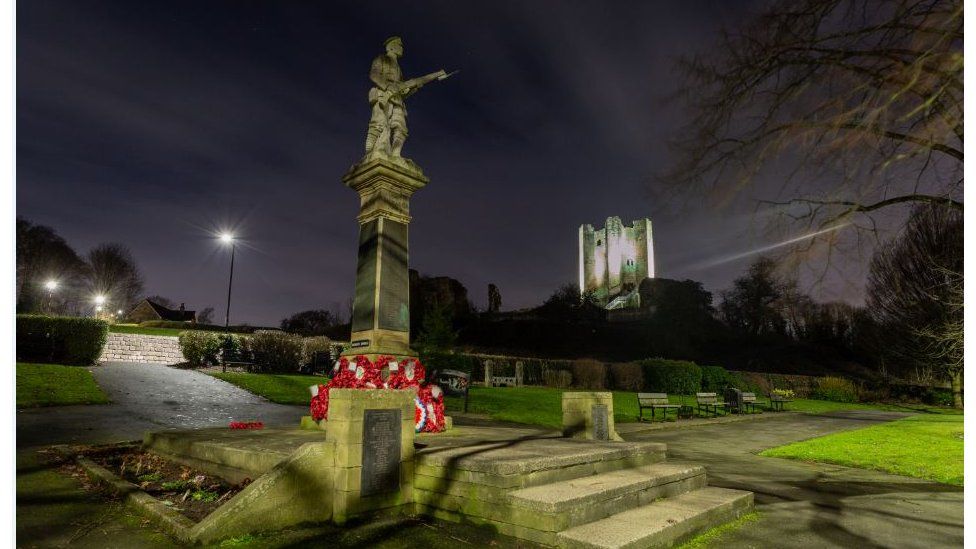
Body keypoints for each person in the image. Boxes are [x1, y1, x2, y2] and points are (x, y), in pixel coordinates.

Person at [364, 36, 452, 158]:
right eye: (399, 46)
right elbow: (374, 75)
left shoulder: (398, 68)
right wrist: (387, 87)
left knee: (400, 127)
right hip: (382, 94)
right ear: (390, 47)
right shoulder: (382, 59)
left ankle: (396, 155)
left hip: (397, 99)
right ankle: (373, 151)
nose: (401, 48)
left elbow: (402, 90)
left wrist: (413, 88)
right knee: (379, 123)